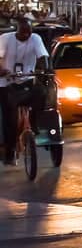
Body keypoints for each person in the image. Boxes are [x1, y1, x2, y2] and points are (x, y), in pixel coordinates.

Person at [0, 18, 49, 166]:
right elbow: (0, 57)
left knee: (42, 93)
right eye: (23, 32)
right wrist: (3, 70)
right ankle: (10, 151)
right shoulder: (5, 38)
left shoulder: (35, 38)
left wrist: (46, 69)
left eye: (29, 32)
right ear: (17, 30)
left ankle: (34, 124)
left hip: (27, 80)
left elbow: (43, 56)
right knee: (10, 120)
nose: (26, 35)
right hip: (6, 83)